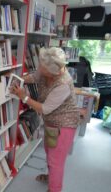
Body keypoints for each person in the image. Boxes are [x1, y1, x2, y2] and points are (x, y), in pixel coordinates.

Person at [10, 47, 80, 192]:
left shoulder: (63, 84)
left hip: (65, 125)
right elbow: (34, 77)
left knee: (56, 161)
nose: (39, 68)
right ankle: (51, 176)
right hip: (51, 122)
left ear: (53, 72)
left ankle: (55, 188)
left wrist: (24, 96)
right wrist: (19, 80)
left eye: (43, 67)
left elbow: (45, 108)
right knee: (50, 153)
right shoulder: (46, 69)